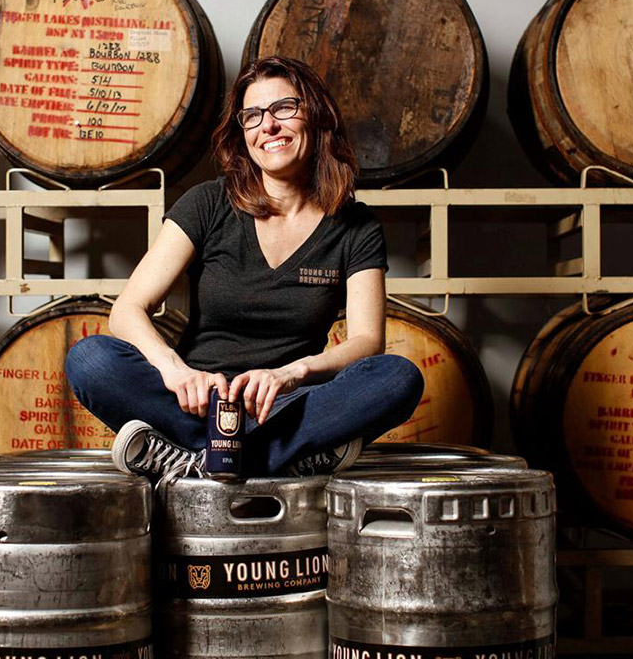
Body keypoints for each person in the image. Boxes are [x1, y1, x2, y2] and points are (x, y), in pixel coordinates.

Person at [66, 55, 423, 479]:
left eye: (284, 109)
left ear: (318, 117)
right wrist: (175, 371)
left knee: (398, 377)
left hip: (287, 406)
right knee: (90, 359)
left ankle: (203, 460)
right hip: (195, 404)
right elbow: (127, 310)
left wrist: (292, 374)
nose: (267, 126)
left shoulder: (354, 225)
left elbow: (367, 340)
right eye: (252, 116)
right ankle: (273, 458)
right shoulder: (209, 202)